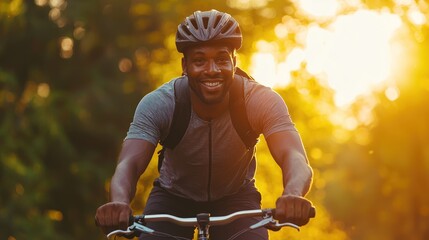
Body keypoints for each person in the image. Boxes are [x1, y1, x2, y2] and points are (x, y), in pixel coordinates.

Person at [95, 9, 314, 239]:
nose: (212, 70)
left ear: (234, 62)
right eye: (199, 61)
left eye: (221, 59)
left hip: (236, 198)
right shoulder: (160, 103)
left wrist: (292, 195)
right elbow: (129, 163)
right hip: (172, 199)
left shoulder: (259, 101)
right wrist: (118, 203)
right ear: (184, 66)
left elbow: (294, 156)